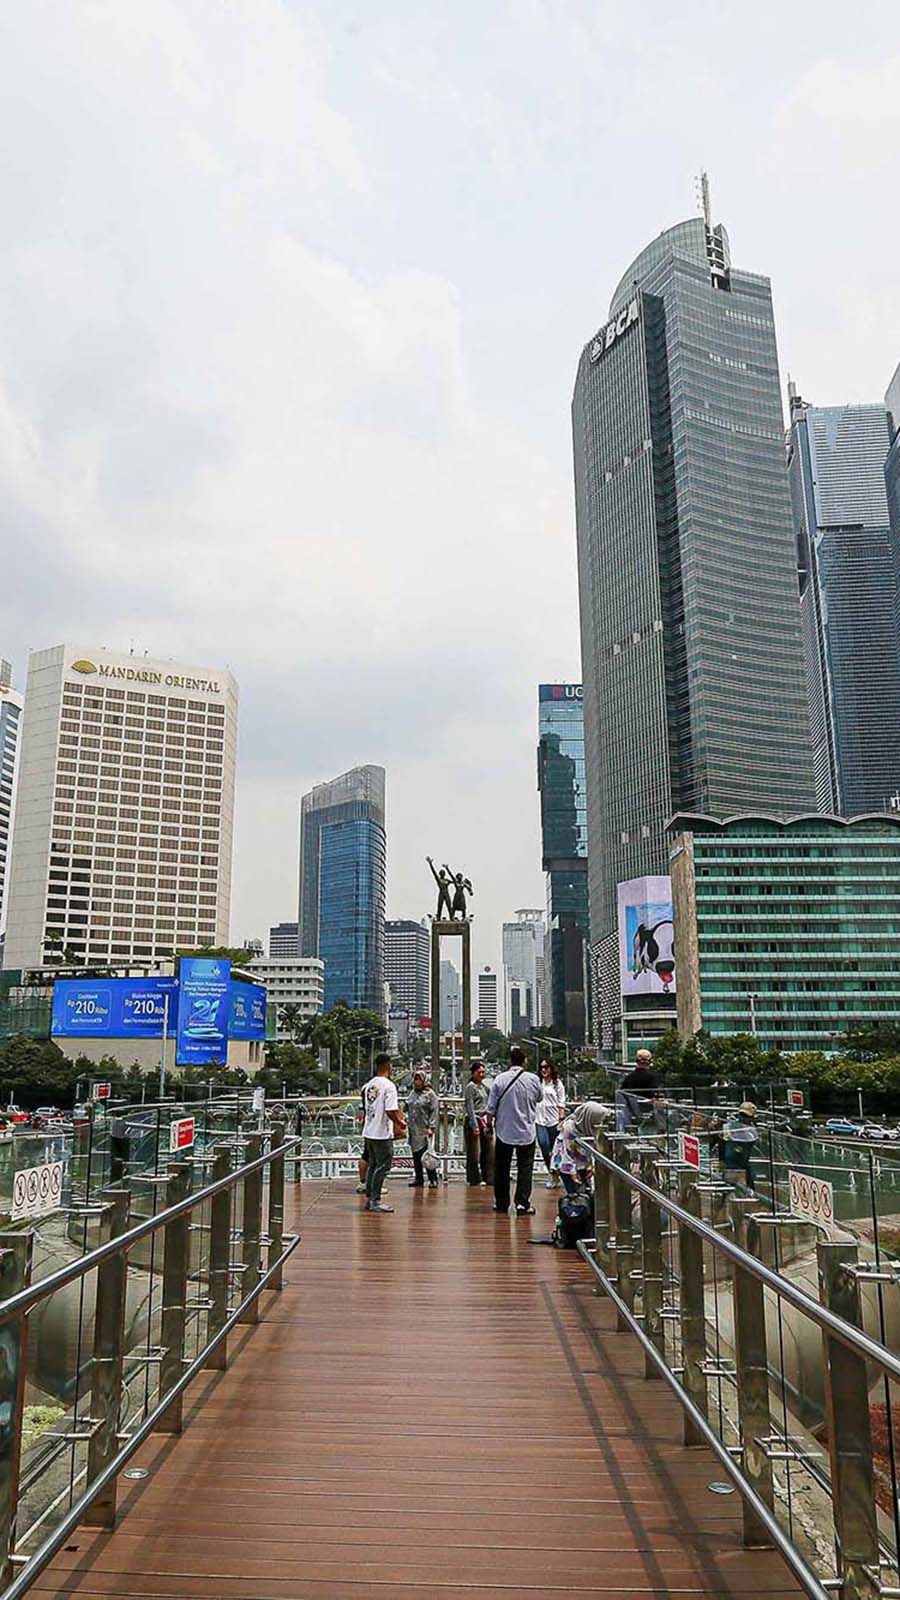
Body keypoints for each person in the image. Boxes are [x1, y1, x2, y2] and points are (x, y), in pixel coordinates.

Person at [485, 1046, 541, 1216]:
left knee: (502, 1168)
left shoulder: (500, 1080)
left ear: (510, 1061)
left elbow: (491, 1108)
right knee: (525, 1168)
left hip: (504, 1131)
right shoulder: (533, 1079)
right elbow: (539, 1098)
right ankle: (522, 1203)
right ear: (524, 1061)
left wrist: (489, 1125)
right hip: (526, 1131)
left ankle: (502, 1203)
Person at [361, 1053, 406, 1213]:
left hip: (369, 1131)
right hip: (381, 1133)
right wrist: (400, 1123)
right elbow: (391, 1110)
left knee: (373, 1165)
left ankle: (370, 1198)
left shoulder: (369, 1085)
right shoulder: (388, 1086)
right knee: (383, 1166)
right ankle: (375, 1200)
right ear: (388, 1066)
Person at [551, 1101, 610, 1194]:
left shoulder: (591, 1128)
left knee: (585, 1192)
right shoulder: (570, 1128)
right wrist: (572, 1173)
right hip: (566, 1162)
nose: (599, 1124)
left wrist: (593, 1166)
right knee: (574, 1193)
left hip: (582, 1161)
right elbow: (567, 1152)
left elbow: (596, 1148)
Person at [406, 1069, 439, 1188]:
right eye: (415, 1079)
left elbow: (434, 1110)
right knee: (416, 1155)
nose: (416, 1082)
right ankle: (418, 1178)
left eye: (419, 1079)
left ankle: (433, 1178)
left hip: (425, 1128)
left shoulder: (430, 1094)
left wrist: (431, 1126)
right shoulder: (412, 1093)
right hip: (413, 1128)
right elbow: (408, 1106)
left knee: (427, 1154)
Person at [535, 1060, 566, 1188]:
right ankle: (551, 1171)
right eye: (542, 1067)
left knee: (555, 1149)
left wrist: (561, 1118)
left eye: (546, 1067)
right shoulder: (538, 1083)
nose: (544, 1070)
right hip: (540, 1120)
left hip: (553, 1120)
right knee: (543, 1145)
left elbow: (561, 1102)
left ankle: (555, 1173)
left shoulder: (557, 1084)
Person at [463, 1061, 493, 1186]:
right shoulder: (470, 1087)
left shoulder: (485, 1087)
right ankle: (474, 1178)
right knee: (474, 1152)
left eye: (483, 1072)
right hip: (474, 1121)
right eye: (479, 1072)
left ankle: (488, 1176)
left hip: (484, 1120)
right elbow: (469, 1107)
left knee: (488, 1151)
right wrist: (474, 1125)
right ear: (473, 1073)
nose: (481, 1075)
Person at [719, 1102, 758, 1191]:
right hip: (730, 1166)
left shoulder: (752, 1131)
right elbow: (722, 1144)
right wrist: (721, 1161)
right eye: (742, 1115)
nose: (744, 1118)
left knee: (749, 1190)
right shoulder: (729, 1127)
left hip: (743, 1165)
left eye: (747, 1116)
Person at [617, 1048, 659, 1130]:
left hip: (631, 1111)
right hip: (647, 1110)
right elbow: (653, 1095)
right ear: (649, 1062)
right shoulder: (652, 1077)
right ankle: (662, 1132)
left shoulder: (629, 1077)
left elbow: (622, 1093)